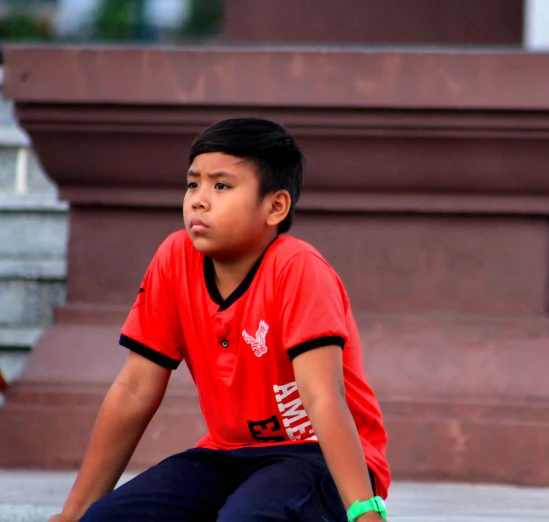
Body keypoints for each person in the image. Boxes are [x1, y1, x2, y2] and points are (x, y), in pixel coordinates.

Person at [49, 118, 390, 522]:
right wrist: (73, 514)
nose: (198, 199)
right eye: (193, 184)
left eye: (221, 185)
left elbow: (322, 396)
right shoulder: (175, 258)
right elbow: (135, 390)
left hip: (318, 458)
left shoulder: (297, 268)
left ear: (275, 206)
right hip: (226, 455)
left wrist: (364, 511)